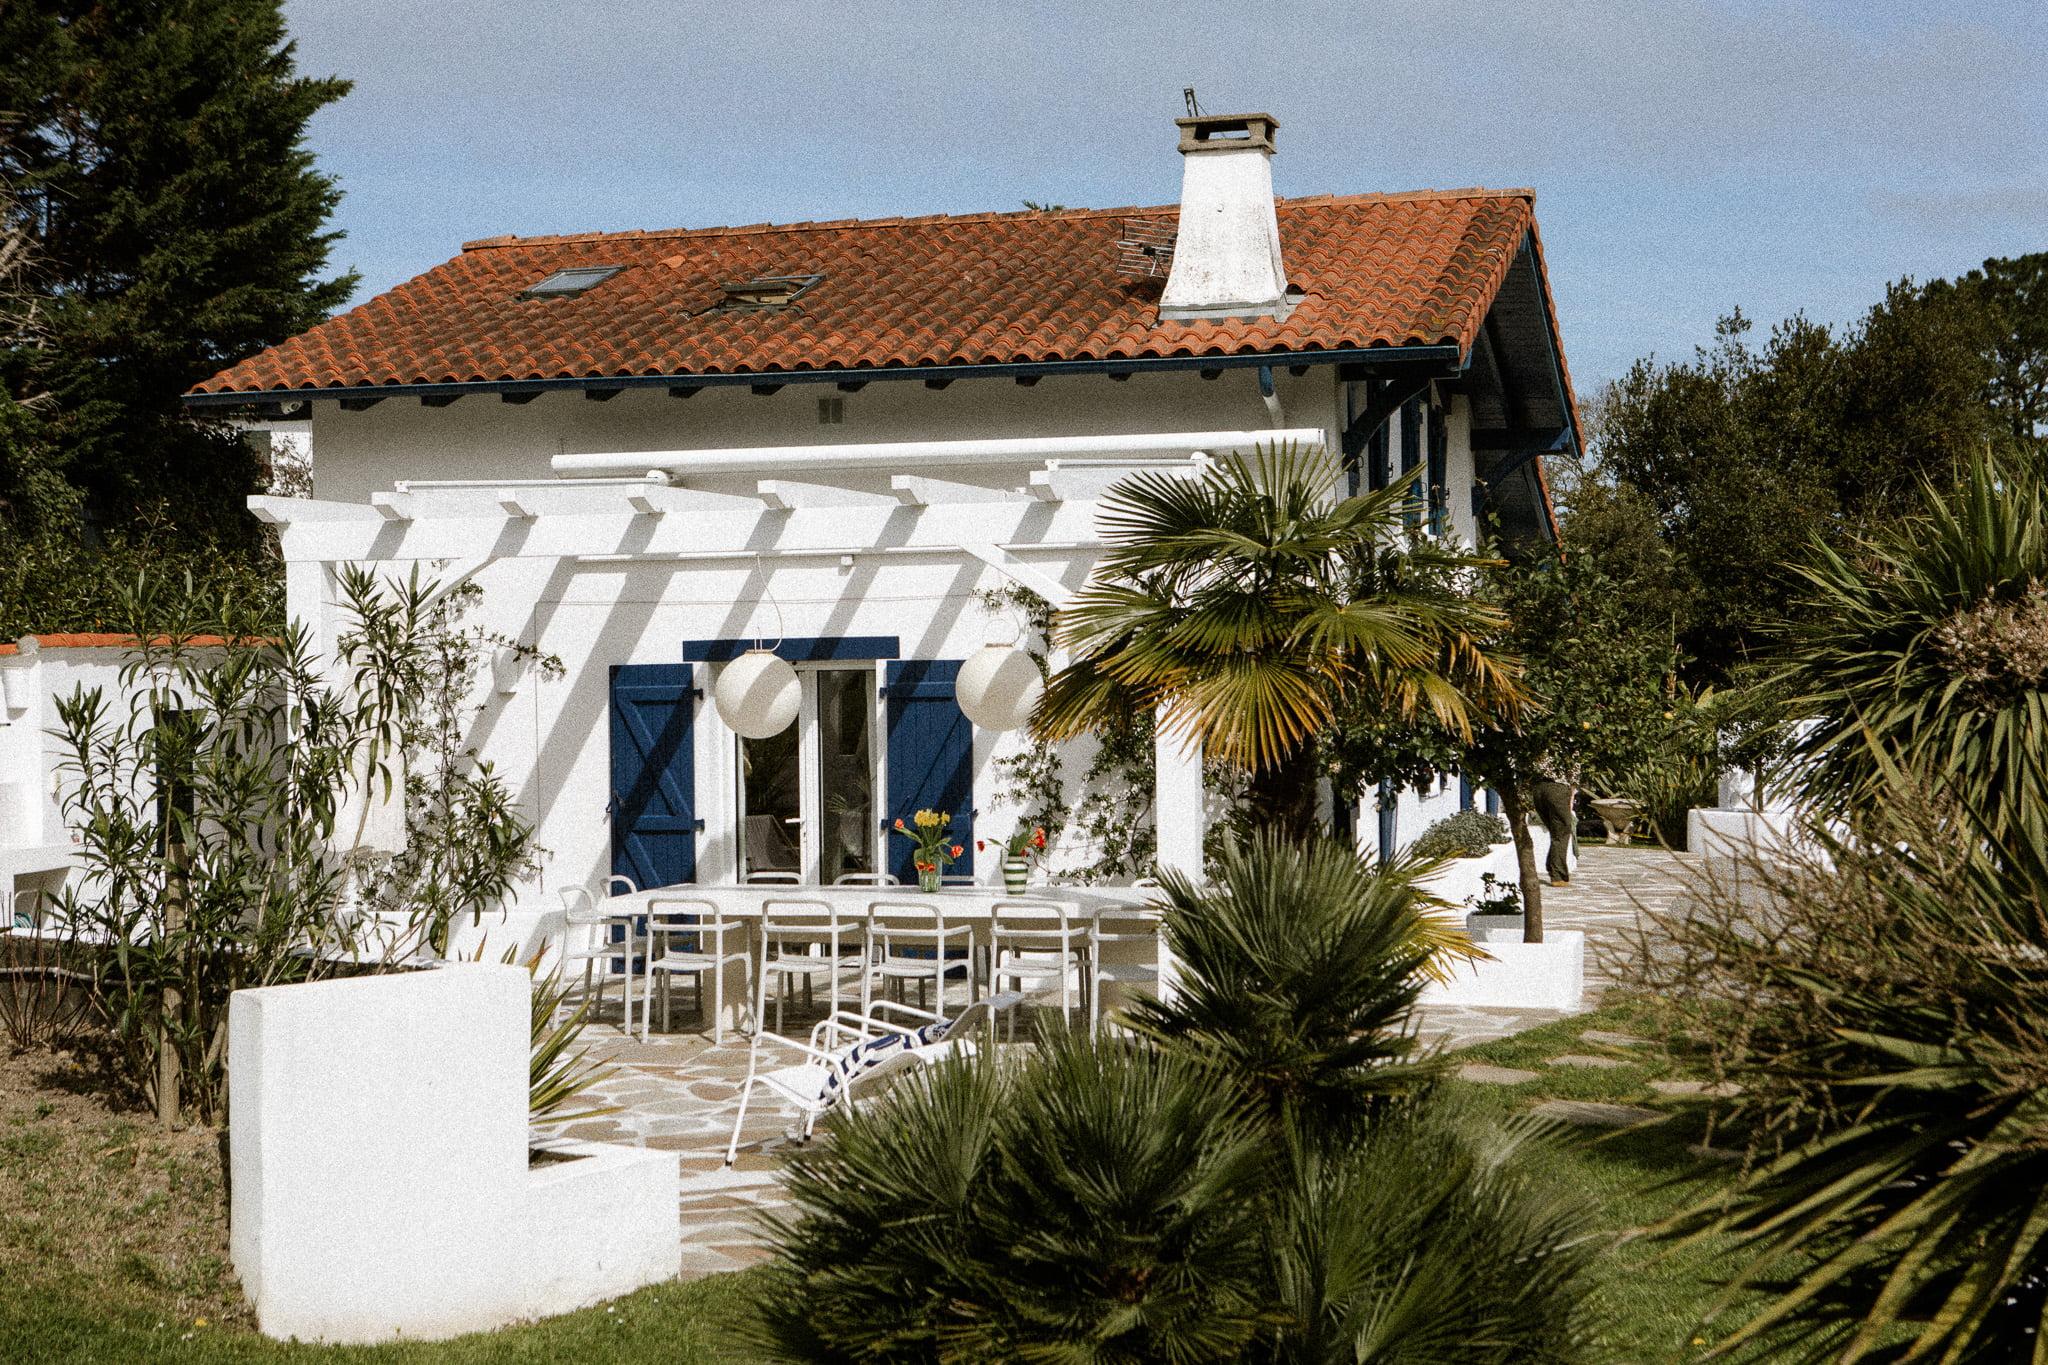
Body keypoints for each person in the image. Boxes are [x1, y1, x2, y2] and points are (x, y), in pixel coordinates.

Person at [1531, 770, 1575, 887]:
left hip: (1539, 788)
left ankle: (1552, 866)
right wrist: (1572, 794)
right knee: (1561, 833)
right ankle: (1558, 876)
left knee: (1556, 833)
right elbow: (1574, 772)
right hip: (1558, 787)